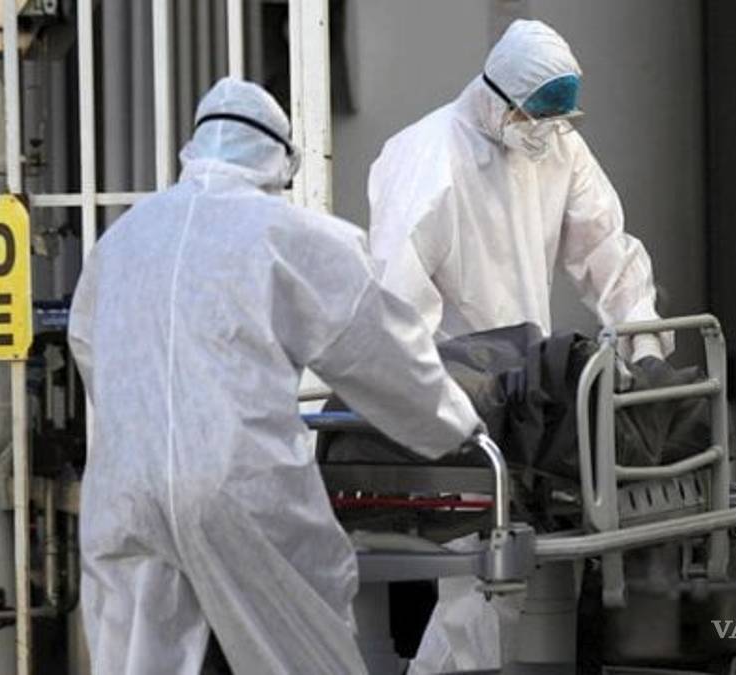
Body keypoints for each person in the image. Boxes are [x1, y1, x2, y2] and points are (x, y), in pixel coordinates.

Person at [69, 77, 483, 675]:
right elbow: (378, 349)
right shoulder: (287, 234)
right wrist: (455, 425)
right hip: (238, 484)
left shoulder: (122, 239)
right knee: (302, 653)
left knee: (139, 661)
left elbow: (91, 351)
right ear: (279, 159)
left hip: (124, 489)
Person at [366, 19, 674, 673]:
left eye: (559, 119)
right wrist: (438, 399)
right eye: (535, 116)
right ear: (497, 97)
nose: (545, 131)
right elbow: (398, 306)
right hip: (456, 396)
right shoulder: (428, 159)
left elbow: (607, 251)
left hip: (526, 393)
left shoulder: (556, 144)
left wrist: (643, 345)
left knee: (507, 586)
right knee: (482, 585)